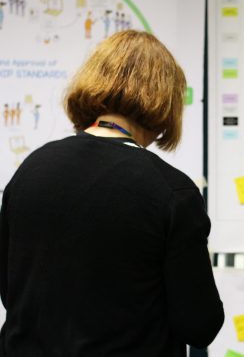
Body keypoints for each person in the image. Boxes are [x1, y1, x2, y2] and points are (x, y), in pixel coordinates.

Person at [0, 30, 224, 356]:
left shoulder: (31, 170)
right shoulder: (171, 191)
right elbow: (200, 324)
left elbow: (12, 292)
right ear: (165, 101)